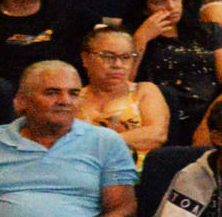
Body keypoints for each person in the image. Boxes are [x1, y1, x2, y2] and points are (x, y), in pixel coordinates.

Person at [0, 64, 135, 217]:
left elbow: (123, 207)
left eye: (74, 93)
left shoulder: (105, 141)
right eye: (52, 93)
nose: (65, 101)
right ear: (21, 101)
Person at [70, 22, 166, 157]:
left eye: (126, 57)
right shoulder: (72, 98)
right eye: (108, 57)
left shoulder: (144, 91)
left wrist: (95, 144)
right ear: (85, 58)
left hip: (136, 172)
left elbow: (156, 134)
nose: (118, 65)